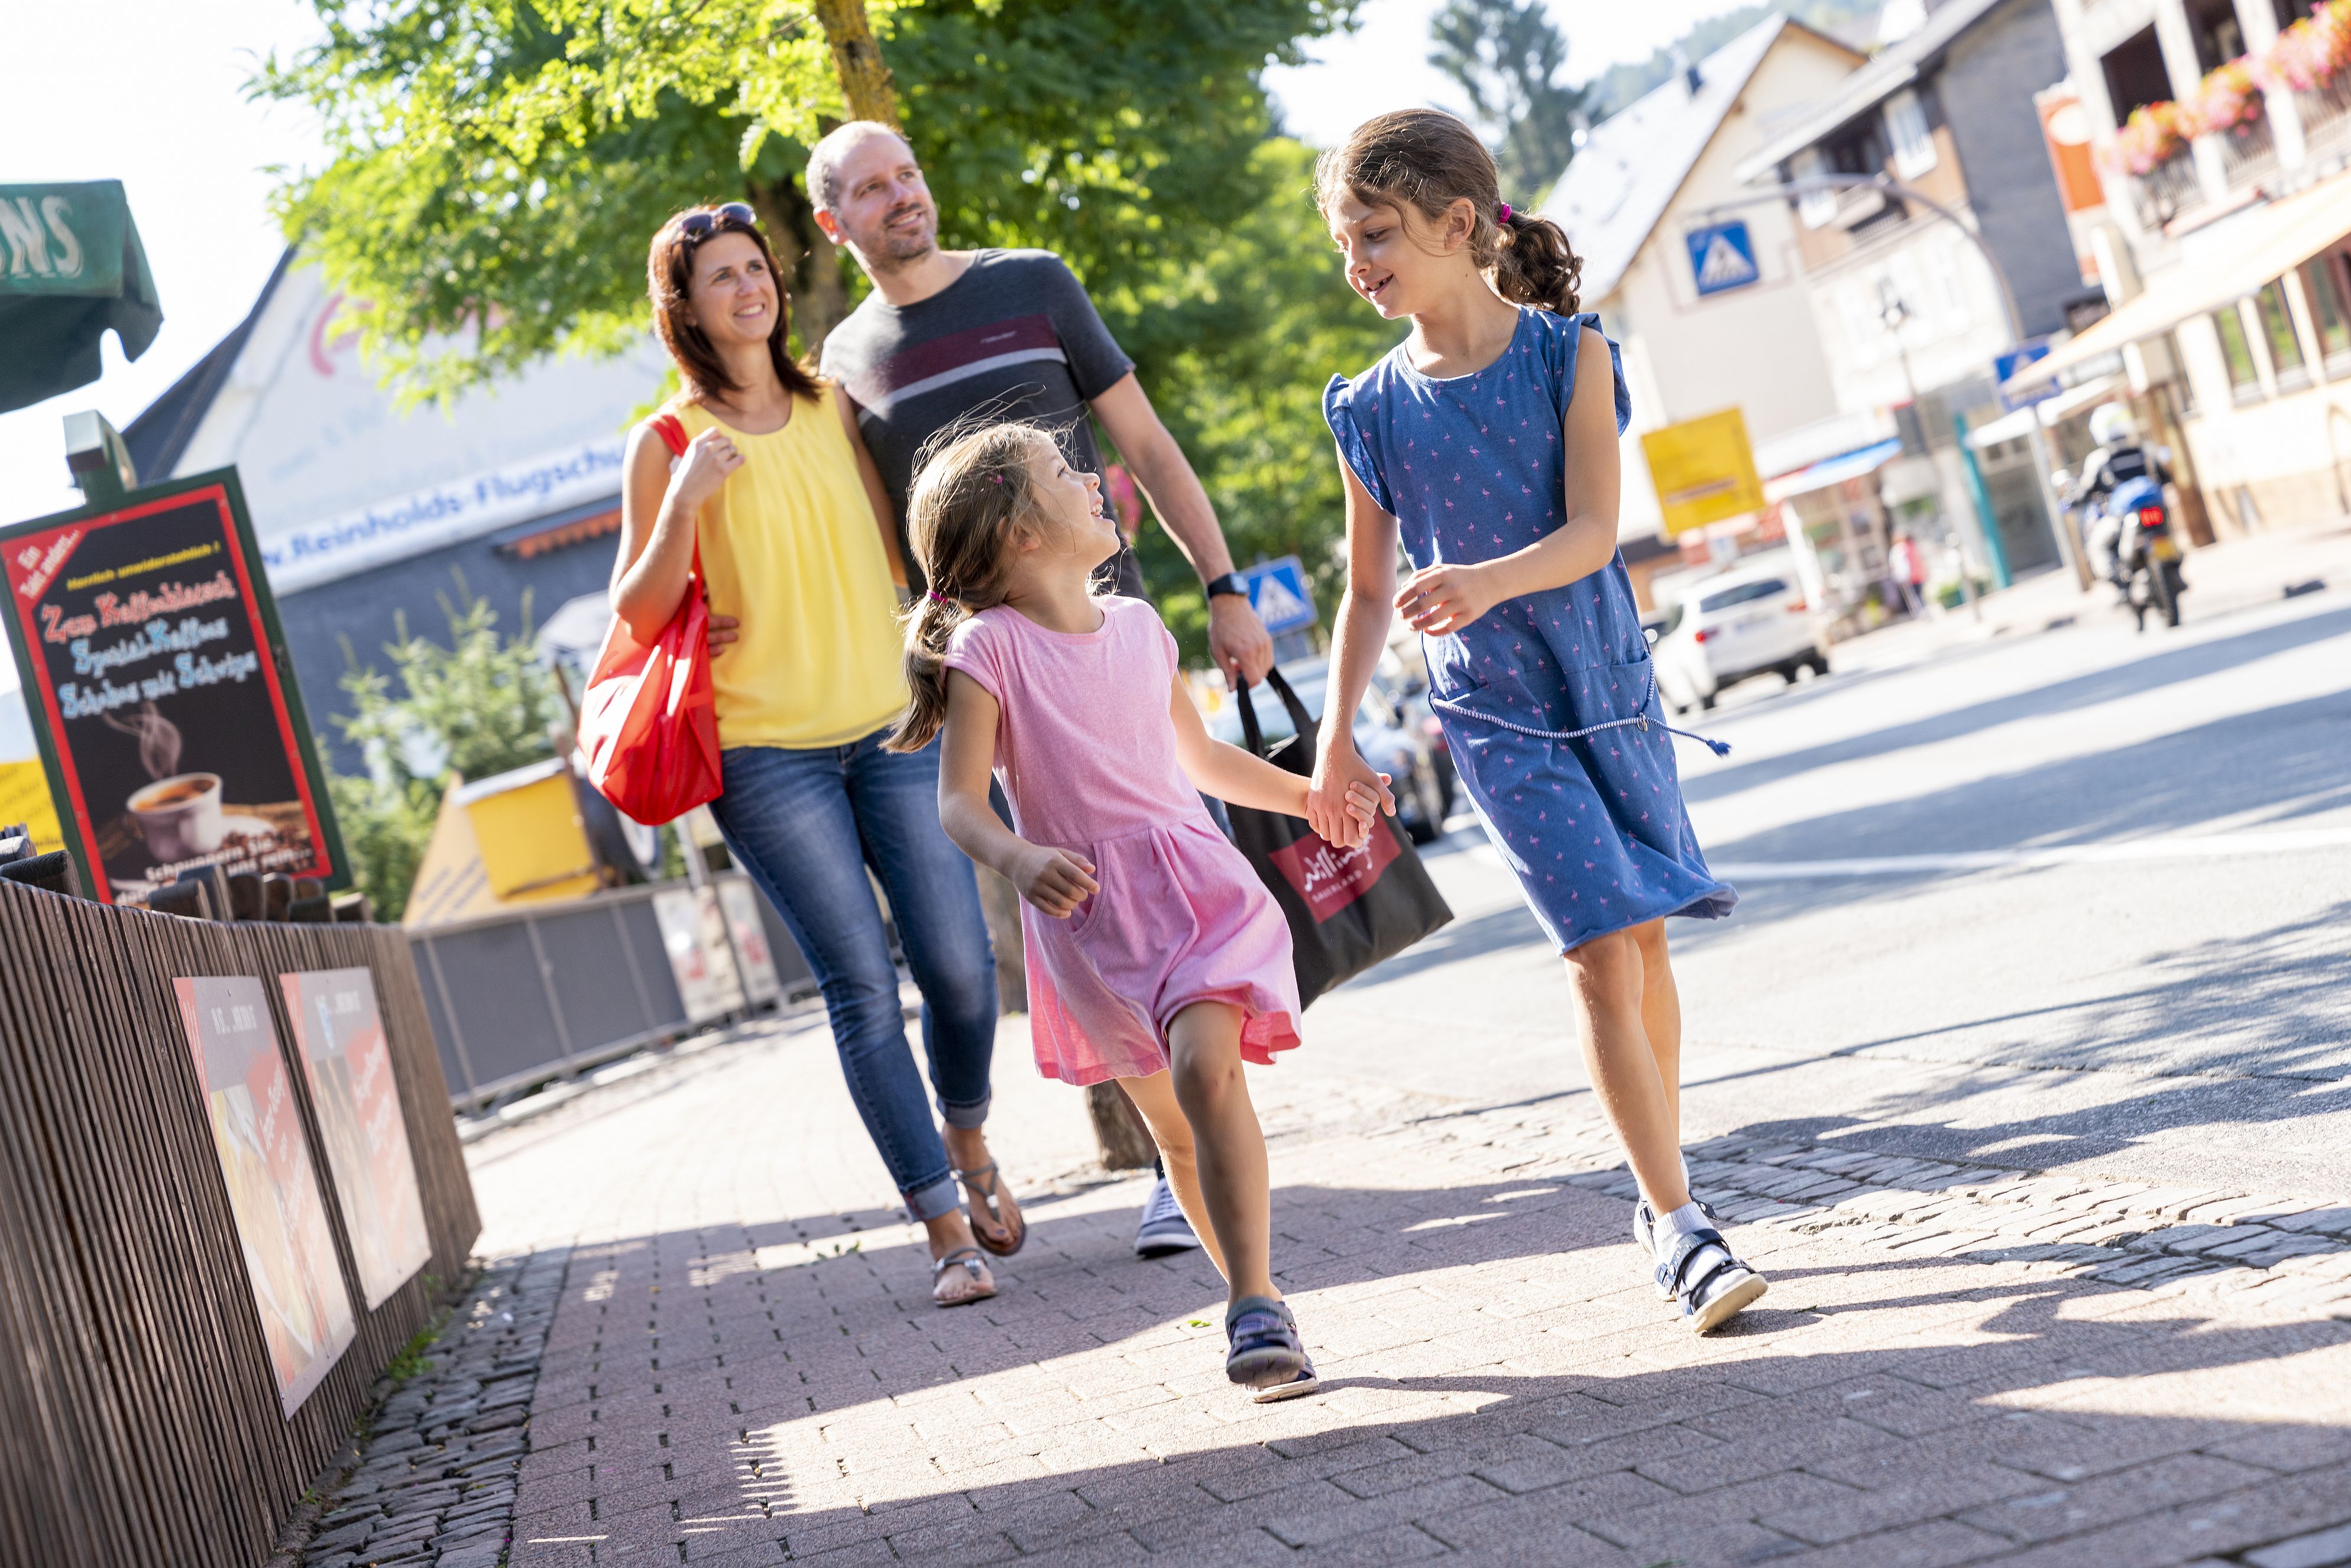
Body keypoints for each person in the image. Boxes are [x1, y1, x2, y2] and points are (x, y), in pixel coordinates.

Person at [1306, 111, 1767, 1335]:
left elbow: (1591, 535)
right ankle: (1678, 1225)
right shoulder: (1367, 409)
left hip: (1602, 682)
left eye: (1375, 232)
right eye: (1342, 241)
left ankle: (1667, 1189)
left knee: (1647, 940)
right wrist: (1332, 733)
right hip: (1494, 714)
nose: (1355, 261)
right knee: (1594, 947)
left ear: (1458, 225)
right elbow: (1363, 592)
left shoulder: (1569, 355)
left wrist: (1479, 580)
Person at [808, 119, 1277, 1256]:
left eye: (909, 174)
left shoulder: (1034, 284)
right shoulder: (846, 367)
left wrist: (1223, 585)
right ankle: (1177, 1151)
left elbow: (1149, 448)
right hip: (1013, 689)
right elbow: (893, 552)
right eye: (871, 190)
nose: (900, 199)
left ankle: (1199, 1148)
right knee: (1092, 912)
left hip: (1116, 649)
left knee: (1176, 873)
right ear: (835, 223)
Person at [887, 420, 1384, 1399]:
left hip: (1198, 891)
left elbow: (1197, 764)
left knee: (1207, 1071)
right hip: (1094, 925)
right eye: (1064, 474)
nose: (1091, 479)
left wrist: (1312, 798)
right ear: (1022, 534)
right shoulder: (990, 650)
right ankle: (1259, 1296)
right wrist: (1019, 856)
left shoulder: (1143, 629)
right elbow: (957, 802)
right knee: (1178, 1133)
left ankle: (1252, 1303)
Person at [611, 203, 1018, 1308]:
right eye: (719, 279)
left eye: (756, 270)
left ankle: (969, 1135)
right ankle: (945, 1228)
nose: (747, 289)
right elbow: (639, 612)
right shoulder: (667, 447)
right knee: (861, 990)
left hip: (890, 727)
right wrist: (684, 512)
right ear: (683, 308)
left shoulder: (835, 407)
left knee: (960, 970)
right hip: (763, 753)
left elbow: (902, 555)